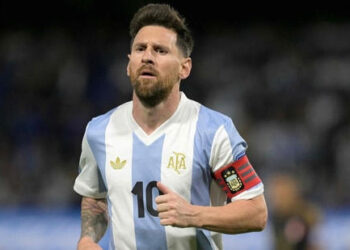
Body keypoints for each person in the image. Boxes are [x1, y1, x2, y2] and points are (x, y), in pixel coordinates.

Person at [73, 3, 267, 250]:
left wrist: (193, 215)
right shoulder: (99, 132)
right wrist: (87, 239)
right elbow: (95, 198)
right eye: (140, 48)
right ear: (129, 63)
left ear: (184, 68)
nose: (148, 56)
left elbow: (255, 212)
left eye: (160, 50)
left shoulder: (213, 131)